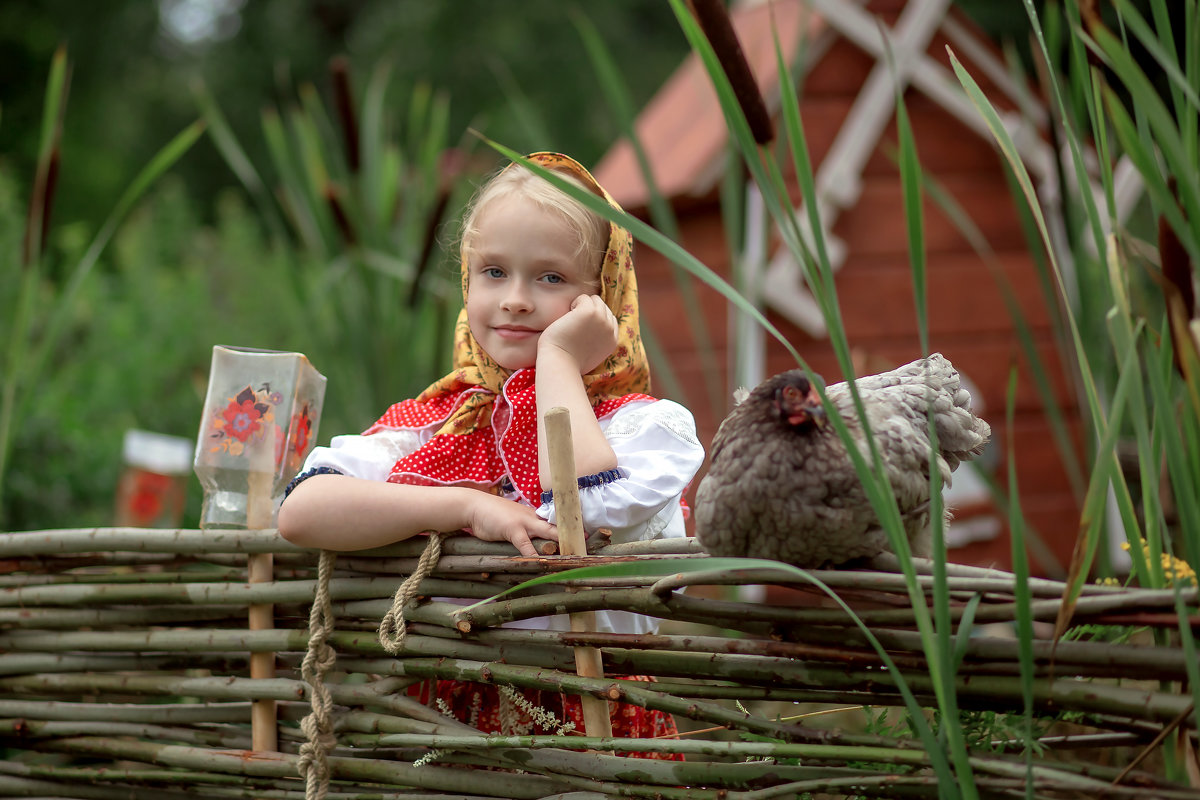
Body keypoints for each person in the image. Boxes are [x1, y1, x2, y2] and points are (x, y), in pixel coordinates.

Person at [279, 151, 704, 754]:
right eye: (494, 272)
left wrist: (559, 360)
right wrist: (464, 507)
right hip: (444, 725)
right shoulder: (443, 423)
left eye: (551, 278)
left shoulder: (640, 426)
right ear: (466, 278)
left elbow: (579, 511)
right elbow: (301, 512)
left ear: (604, 295)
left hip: (589, 727)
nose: (516, 299)